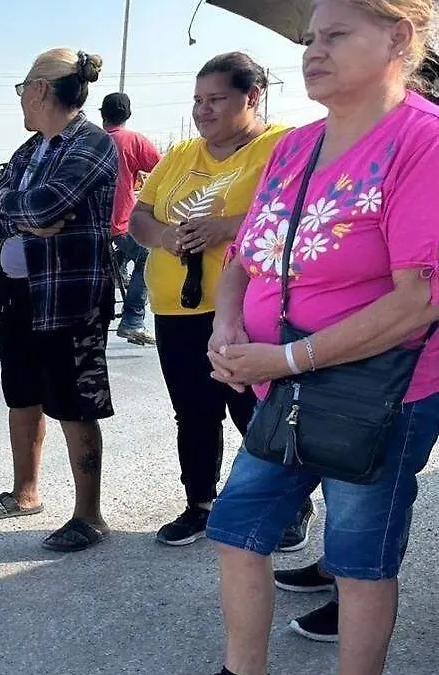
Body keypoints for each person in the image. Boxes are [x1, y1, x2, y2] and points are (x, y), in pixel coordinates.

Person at [203, 2, 439, 674]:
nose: (313, 50)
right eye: (310, 38)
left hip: (381, 391)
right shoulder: (295, 145)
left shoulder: (422, 142)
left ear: (398, 37)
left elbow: (418, 299)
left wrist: (285, 355)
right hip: (287, 384)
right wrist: (227, 323)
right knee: (237, 528)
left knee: (360, 559)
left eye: (335, 35)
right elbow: (244, 257)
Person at [127, 53, 314, 548]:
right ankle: (199, 502)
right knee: (192, 410)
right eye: (197, 100)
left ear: (252, 97)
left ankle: (289, 504)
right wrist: (168, 237)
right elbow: (138, 219)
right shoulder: (182, 153)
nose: (203, 111)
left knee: (256, 408)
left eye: (216, 99)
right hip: (176, 310)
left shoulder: (284, 146)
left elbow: (299, 214)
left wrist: (227, 228)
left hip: (247, 310)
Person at [0, 48, 118, 553]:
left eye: (22, 92)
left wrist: (19, 210)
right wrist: (23, 216)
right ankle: (25, 492)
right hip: (18, 295)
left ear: (39, 89)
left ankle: (89, 516)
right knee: (22, 394)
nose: (21, 104)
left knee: (75, 404)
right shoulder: (29, 152)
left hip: (69, 300)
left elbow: (47, 204)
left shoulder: (92, 145)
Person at [100, 92, 161, 345]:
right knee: (148, 257)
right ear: (128, 114)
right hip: (120, 222)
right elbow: (162, 172)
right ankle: (133, 320)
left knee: (128, 249)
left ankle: (118, 270)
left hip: (95, 223)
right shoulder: (133, 140)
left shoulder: (92, 141)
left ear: (102, 114)